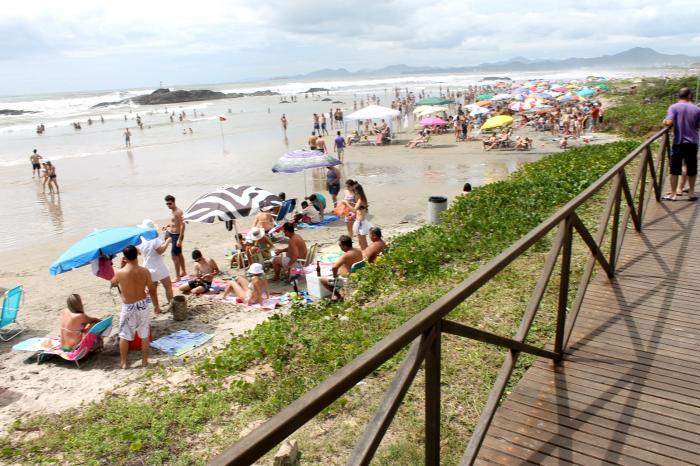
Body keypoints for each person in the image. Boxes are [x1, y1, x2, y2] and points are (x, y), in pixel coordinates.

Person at [111, 245, 160, 369]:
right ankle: (144, 361)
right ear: (137, 254)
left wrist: (122, 266)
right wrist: (156, 305)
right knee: (144, 334)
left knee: (124, 335)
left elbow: (113, 283)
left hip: (128, 306)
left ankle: (123, 362)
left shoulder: (120, 272)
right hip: (142, 304)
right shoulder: (144, 271)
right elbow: (152, 290)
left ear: (125, 257)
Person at [662, 87, 700, 201]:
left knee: (674, 169)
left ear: (679, 96)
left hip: (678, 142)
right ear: (689, 96)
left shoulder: (673, 107)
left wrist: (664, 121)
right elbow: (698, 125)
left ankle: (673, 194)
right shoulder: (696, 109)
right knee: (692, 168)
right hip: (692, 142)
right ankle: (691, 193)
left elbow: (669, 122)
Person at [136, 220, 173, 305]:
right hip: (158, 266)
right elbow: (160, 251)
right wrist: (167, 242)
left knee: (153, 290)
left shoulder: (140, 239)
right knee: (168, 286)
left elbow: (139, 252)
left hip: (147, 267)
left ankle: (156, 308)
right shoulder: (154, 238)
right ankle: (171, 305)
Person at [164, 195, 186, 278]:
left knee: (174, 256)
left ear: (174, 202)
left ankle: (177, 277)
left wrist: (179, 239)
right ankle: (183, 272)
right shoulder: (172, 211)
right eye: (167, 204)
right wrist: (167, 226)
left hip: (177, 236)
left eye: (170, 203)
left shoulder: (178, 212)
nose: (168, 205)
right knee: (179, 254)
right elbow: (174, 223)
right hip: (172, 234)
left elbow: (182, 225)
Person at [351, 183, 370, 250]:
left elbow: (353, 210)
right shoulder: (361, 199)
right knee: (360, 241)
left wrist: (345, 203)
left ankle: (366, 255)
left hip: (361, 223)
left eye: (354, 192)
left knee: (363, 242)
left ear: (357, 191)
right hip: (359, 222)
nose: (353, 193)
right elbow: (358, 211)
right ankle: (364, 254)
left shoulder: (360, 200)